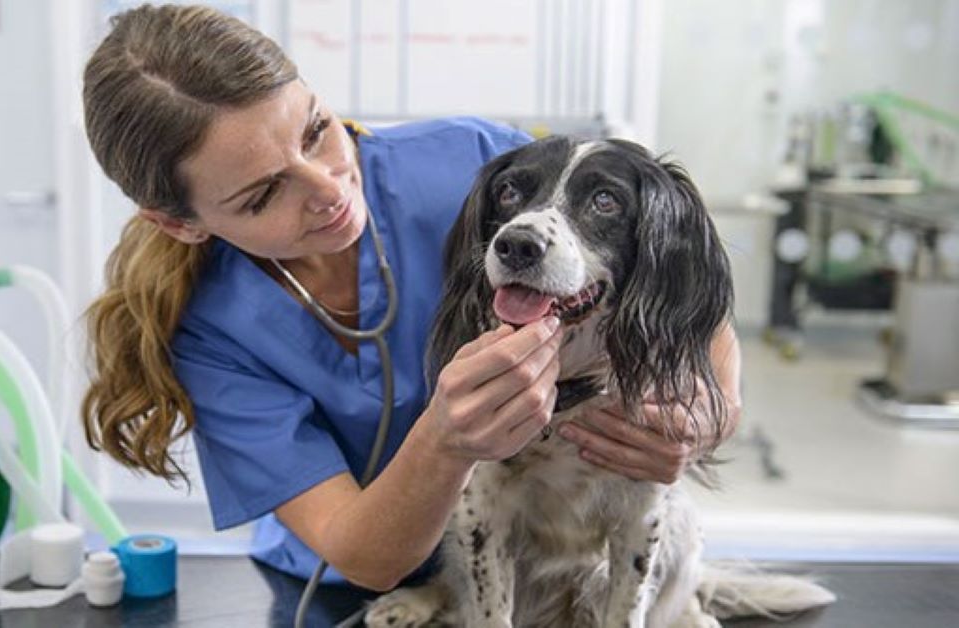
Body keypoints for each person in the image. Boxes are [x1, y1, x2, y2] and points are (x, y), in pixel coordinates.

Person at [79, 4, 742, 592]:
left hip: (536, 561)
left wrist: (709, 413)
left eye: (316, 130)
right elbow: (365, 556)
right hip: (352, 587)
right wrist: (445, 442)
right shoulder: (211, 333)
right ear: (180, 223)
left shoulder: (473, 162)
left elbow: (673, 275)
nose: (331, 189)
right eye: (262, 194)